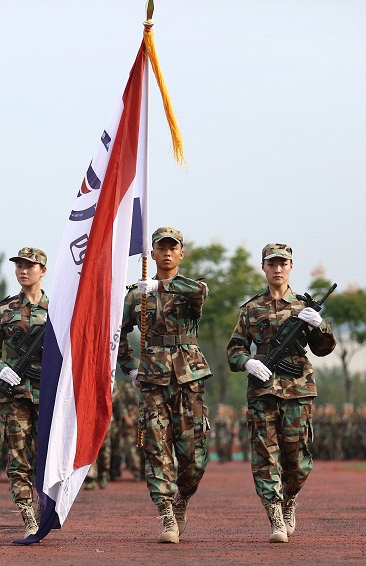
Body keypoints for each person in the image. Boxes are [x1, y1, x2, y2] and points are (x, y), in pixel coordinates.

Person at [227, 243, 336, 543]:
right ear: (263, 267)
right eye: (271, 263)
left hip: (298, 391)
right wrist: (248, 362)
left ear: (291, 267)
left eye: (283, 263)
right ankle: (275, 514)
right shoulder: (250, 309)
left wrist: (321, 325)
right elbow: (234, 349)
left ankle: (289, 499)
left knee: (297, 460)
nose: (277, 268)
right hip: (262, 393)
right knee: (265, 457)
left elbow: (324, 349)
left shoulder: (304, 307)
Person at [117, 227, 212, 544]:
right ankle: (167, 515)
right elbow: (116, 336)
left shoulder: (189, 290)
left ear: (181, 253)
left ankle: (182, 497)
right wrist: (130, 367)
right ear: (152, 253)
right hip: (152, 381)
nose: (168, 252)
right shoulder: (137, 295)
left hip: (188, 381)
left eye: (174, 247)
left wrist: (160, 284)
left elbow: (199, 291)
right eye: (161, 247)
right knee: (156, 451)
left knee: (192, 459)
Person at [0, 247, 48, 538]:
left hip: (49, 392)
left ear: (42, 271)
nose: (23, 270)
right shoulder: (4, 309)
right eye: (19, 266)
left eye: (29, 266)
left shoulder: (60, 306)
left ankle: (46, 507)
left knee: (47, 456)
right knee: (17, 456)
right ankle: (27, 515)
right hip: (16, 394)